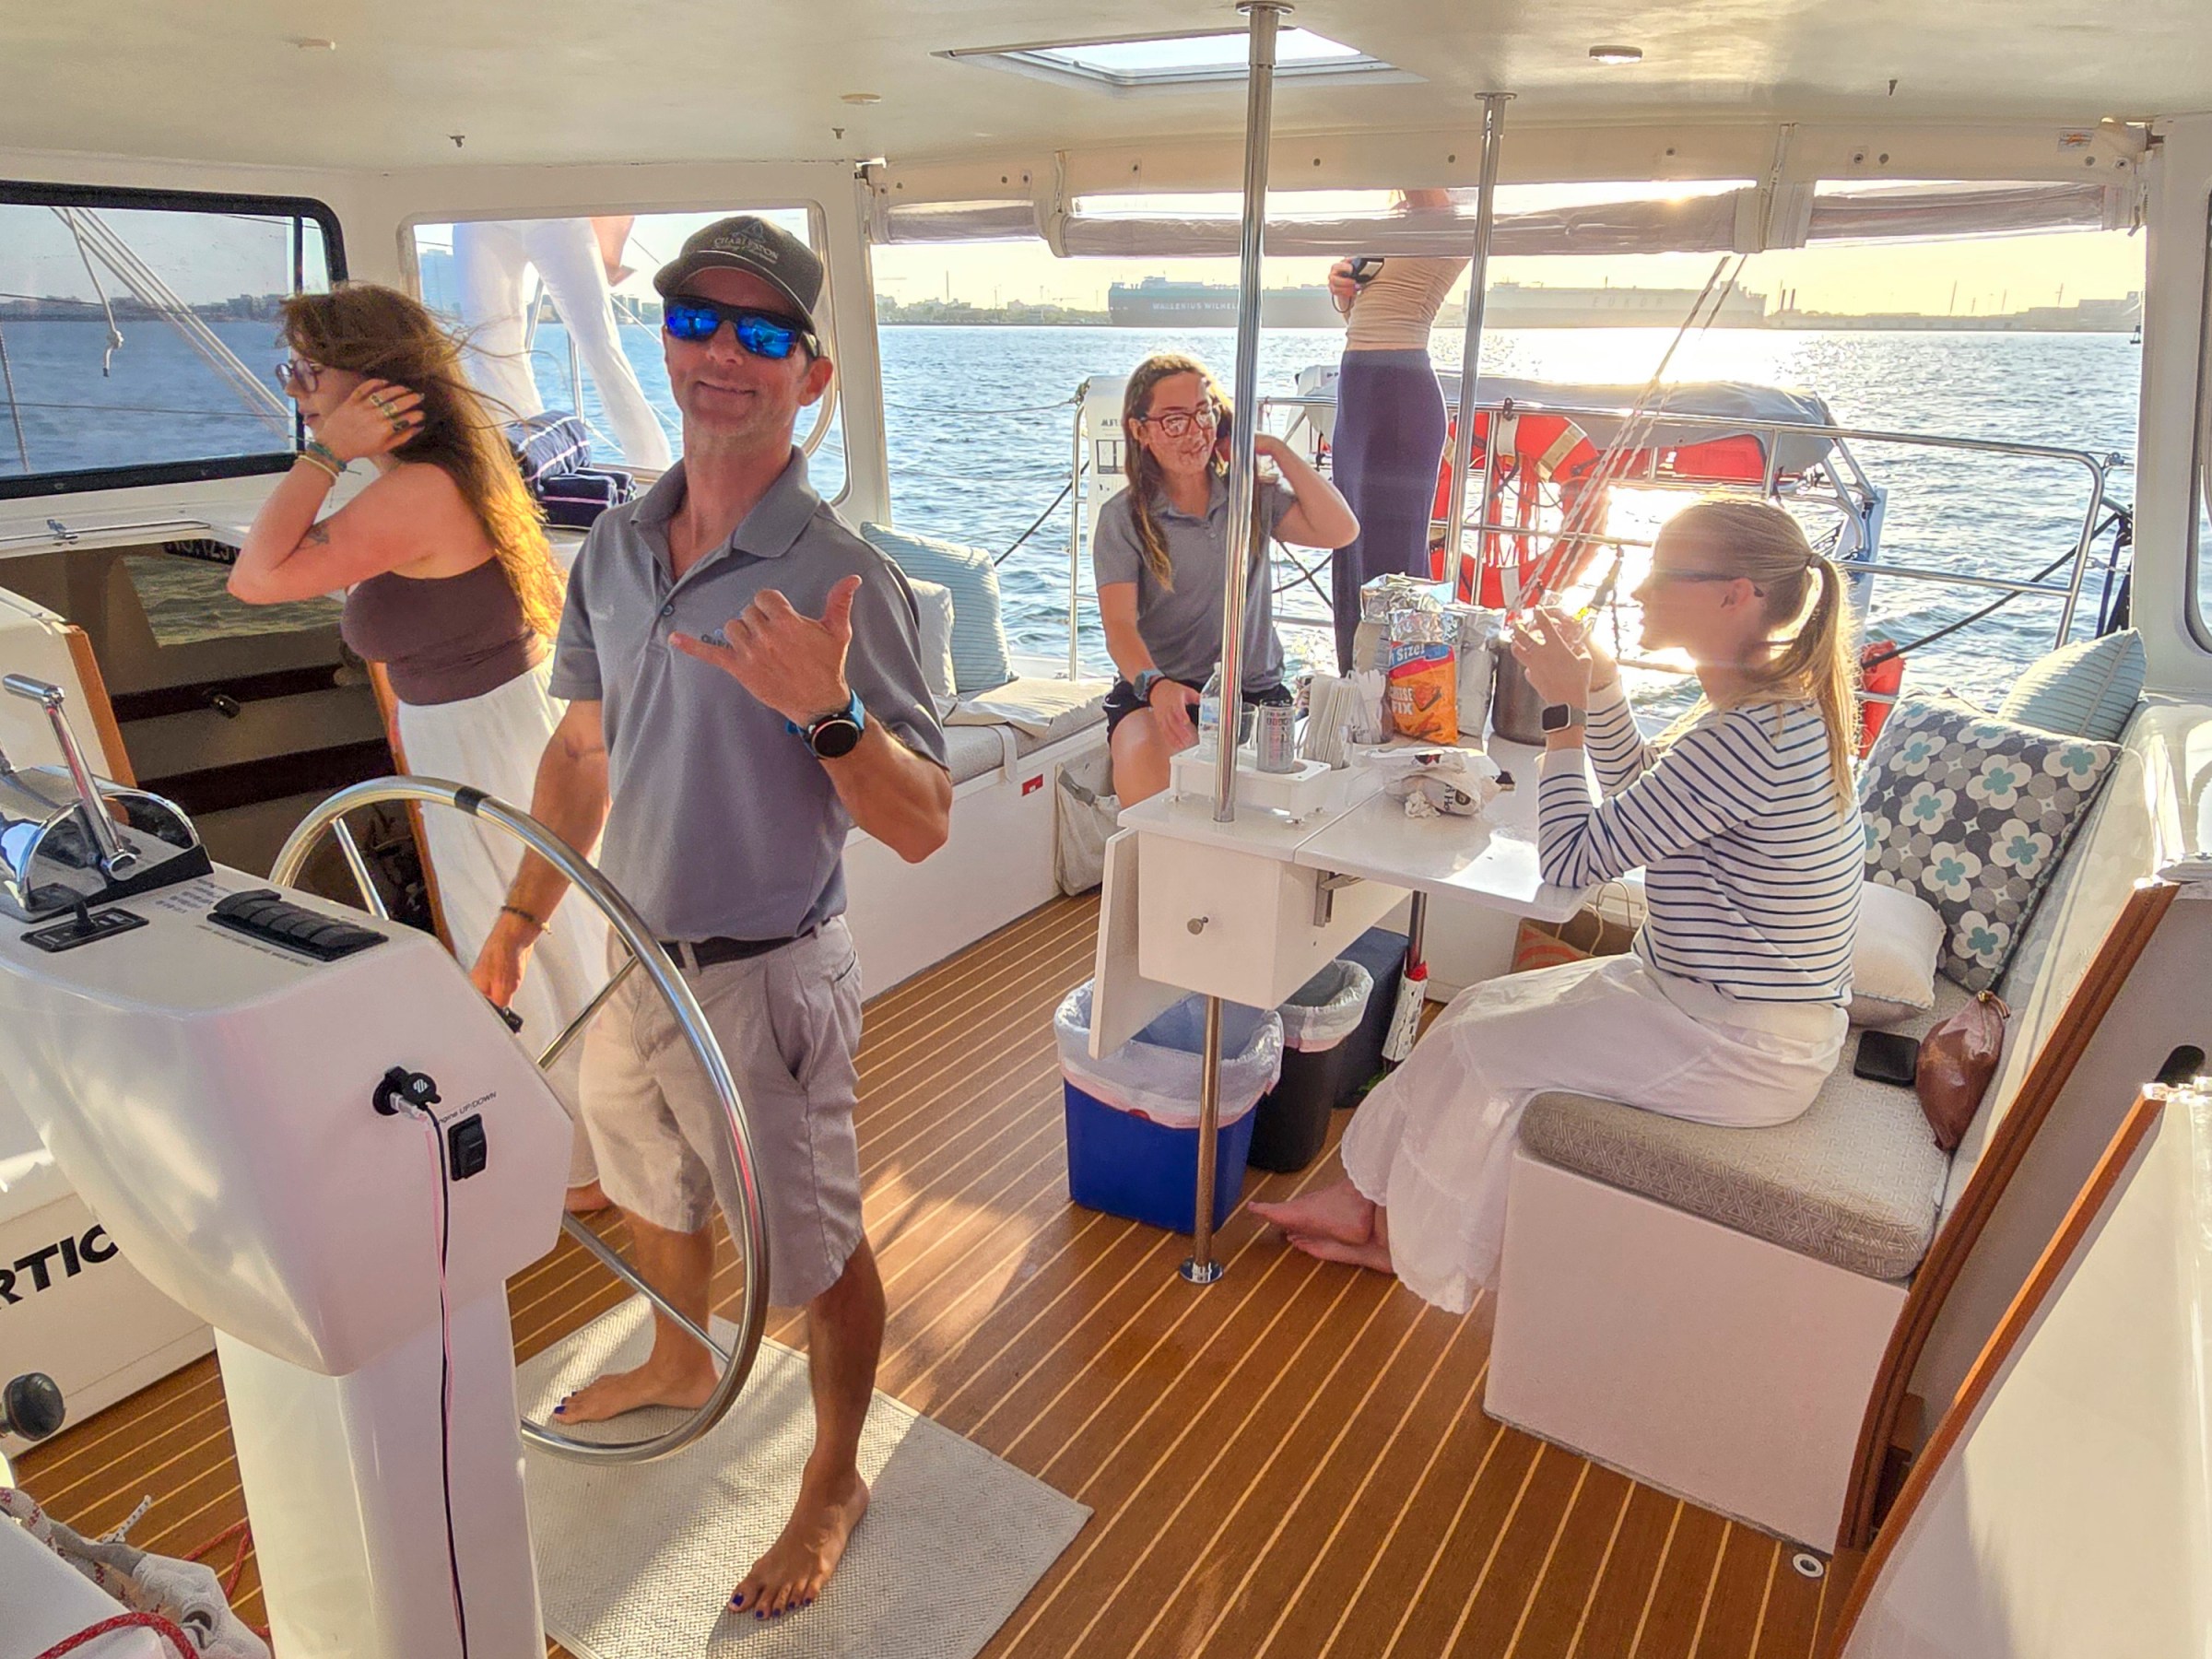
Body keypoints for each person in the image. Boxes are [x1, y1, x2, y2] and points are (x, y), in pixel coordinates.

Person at [468, 216, 951, 1621]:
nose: (721, 355)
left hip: (770, 978)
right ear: (659, 336)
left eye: (762, 334)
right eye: (695, 321)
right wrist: (514, 922)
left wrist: (832, 712)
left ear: (812, 376)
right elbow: (579, 755)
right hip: (632, 956)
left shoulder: (845, 575)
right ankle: (685, 1360)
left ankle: (838, 1473)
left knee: (814, 1252)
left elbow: (921, 824)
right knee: (647, 1178)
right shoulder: (613, 545)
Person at [1253, 500, 1862, 1312]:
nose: (1638, 589)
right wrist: (1603, 686)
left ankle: (1411, 1244)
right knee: (1470, 1010)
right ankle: (1366, 1202)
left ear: (1734, 596)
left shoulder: (1755, 735)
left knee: (1482, 1056)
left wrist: (1566, 713)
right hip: (1695, 998)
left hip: (1738, 1042)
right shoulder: (1766, 712)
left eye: (1663, 573)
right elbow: (1646, 786)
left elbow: (1571, 862)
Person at [230, 280, 615, 1216]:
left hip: (485, 741)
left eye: (308, 373)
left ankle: (591, 1170)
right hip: (485, 728)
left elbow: (255, 578)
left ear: (372, 382)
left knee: (526, 945)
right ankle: (593, 1153)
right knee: (553, 943)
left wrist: (327, 452)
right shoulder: (445, 467)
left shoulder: (416, 489)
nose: (297, 391)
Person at [1095, 352, 1359, 806]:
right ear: (1140, 431)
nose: (1194, 433)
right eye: (1174, 421)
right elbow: (1118, 626)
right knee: (1151, 788)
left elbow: (1341, 530)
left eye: (1204, 414)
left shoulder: (1249, 499)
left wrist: (1275, 450)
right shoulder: (1122, 518)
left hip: (1255, 695)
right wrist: (1154, 686)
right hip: (1165, 692)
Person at [1325, 189, 1468, 671]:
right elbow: (1365, 306)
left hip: (1400, 390)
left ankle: (1407, 684)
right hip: (1358, 389)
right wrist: (1341, 289)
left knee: (1393, 551)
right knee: (1349, 540)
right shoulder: (1392, 220)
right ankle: (1354, 679)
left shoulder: (1449, 218)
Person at [453, 216, 676, 469]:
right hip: (478, 214)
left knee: (600, 346)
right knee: (489, 349)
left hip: (558, 212)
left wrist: (609, 253)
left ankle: (653, 467)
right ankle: (526, 465)